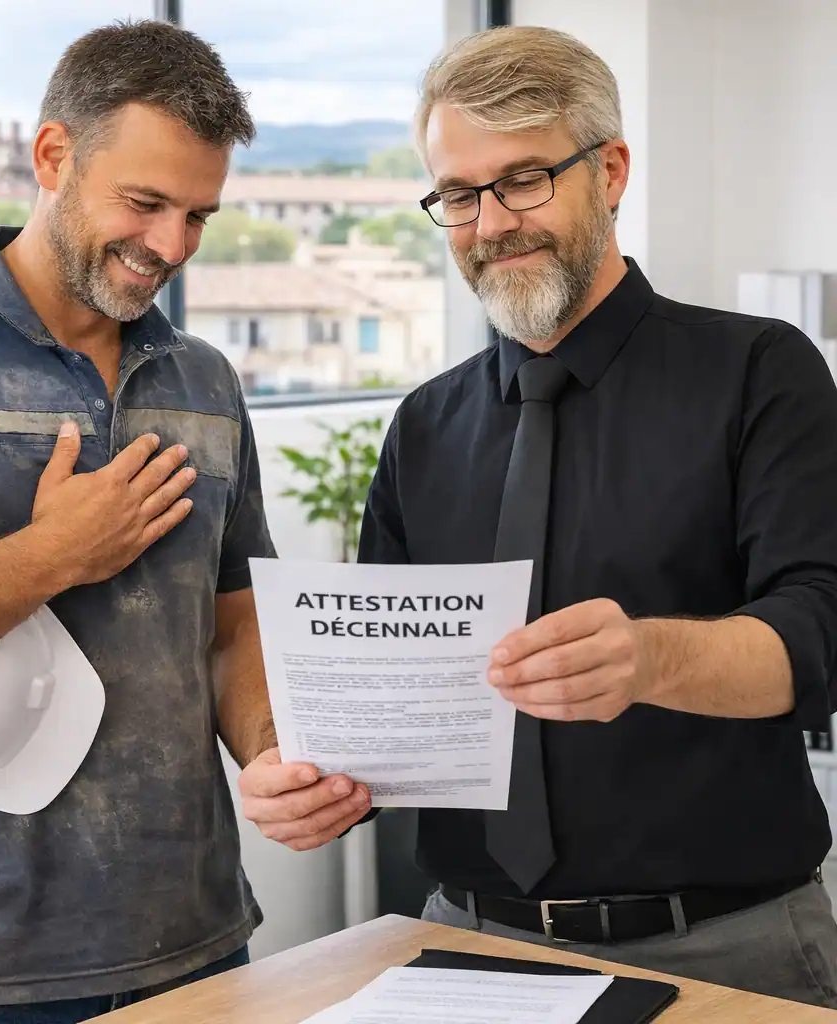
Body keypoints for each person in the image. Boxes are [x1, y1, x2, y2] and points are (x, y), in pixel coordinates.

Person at [244, 25, 837, 1009]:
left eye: (522, 180)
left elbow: (821, 632)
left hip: (729, 948)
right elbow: (377, 695)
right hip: (464, 939)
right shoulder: (423, 426)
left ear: (609, 171)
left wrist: (652, 657)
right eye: (459, 195)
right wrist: (305, 775)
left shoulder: (759, 374)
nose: (489, 224)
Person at [0, 19, 307, 1024]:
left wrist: (269, 754)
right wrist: (45, 558)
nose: (170, 246)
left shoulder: (204, 380)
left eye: (199, 215)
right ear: (51, 156)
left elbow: (231, 624)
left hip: (202, 951)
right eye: (145, 202)